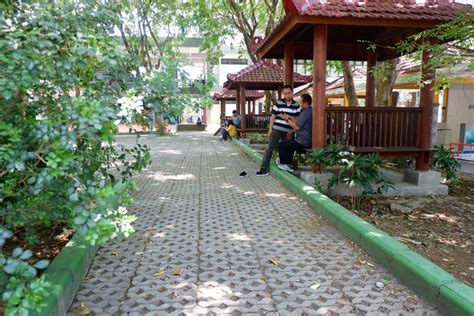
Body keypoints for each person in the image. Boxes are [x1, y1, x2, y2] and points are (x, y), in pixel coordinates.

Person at [256, 85, 301, 176]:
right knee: (270, 148)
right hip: (277, 129)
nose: (287, 95)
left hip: (289, 131)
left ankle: (287, 166)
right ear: (283, 94)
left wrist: (292, 131)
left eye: (289, 93)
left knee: (289, 149)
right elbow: (273, 117)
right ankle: (264, 168)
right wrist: (270, 129)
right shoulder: (278, 103)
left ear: (292, 93)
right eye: (285, 93)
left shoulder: (296, 105)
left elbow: (297, 121)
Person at [276, 94, 313, 172]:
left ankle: (285, 164)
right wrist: (289, 117)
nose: (300, 104)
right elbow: (299, 122)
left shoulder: (305, 113)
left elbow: (296, 127)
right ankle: (288, 164)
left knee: (281, 144)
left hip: (303, 141)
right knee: (289, 143)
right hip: (305, 139)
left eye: (301, 102)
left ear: (305, 103)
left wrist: (287, 119)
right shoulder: (309, 111)